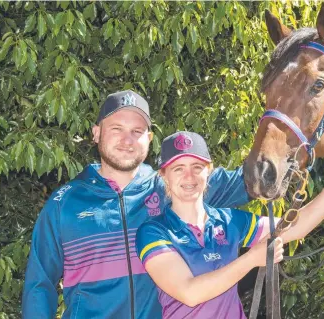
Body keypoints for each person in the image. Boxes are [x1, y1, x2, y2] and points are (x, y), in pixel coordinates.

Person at [22, 91, 251, 319]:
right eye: (116, 129)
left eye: (137, 131)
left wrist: (282, 133)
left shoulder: (175, 187)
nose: (127, 140)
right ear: (96, 133)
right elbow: (39, 285)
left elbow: (254, 179)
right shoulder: (65, 203)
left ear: (149, 139)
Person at [136, 131, 324, 319]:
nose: (189, 177)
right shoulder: (154, 231)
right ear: (164, 175)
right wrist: (252, 259)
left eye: (197, 167)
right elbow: (190, 293)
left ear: (209, 171)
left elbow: (296, 226)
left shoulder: (228, 221)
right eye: (178, 169)